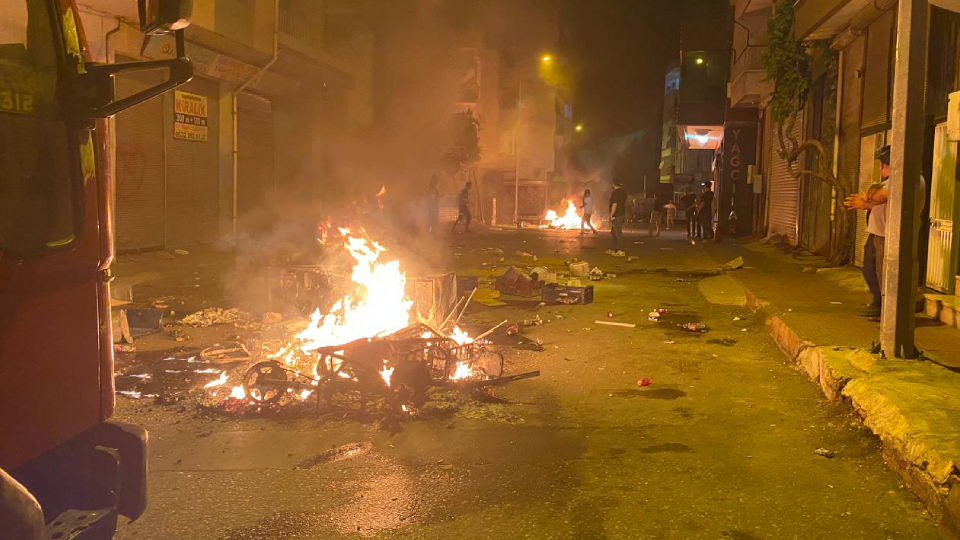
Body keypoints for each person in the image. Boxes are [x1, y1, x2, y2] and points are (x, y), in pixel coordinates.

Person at [844, 146, 890, 320]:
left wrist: (866, 199)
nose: (881, 170)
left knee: (881, 273)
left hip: (886, 236)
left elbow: (877, 195)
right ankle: (879, 304)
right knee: (872, 271)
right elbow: (875, 202)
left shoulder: (899, 182)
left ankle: (883, 307)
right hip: (877, 233)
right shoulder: (891, 182)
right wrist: (863, 204)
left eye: (883, 166)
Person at [606, 179, 627, 256]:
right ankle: (613, 249)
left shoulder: (615, 193)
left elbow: (615, 204)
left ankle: (621, 251)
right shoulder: (623, 192)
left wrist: (611, 215)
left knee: (618, 233)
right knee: (614, 232)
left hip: (617, 216)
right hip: (621, 214)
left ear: (613, 184)